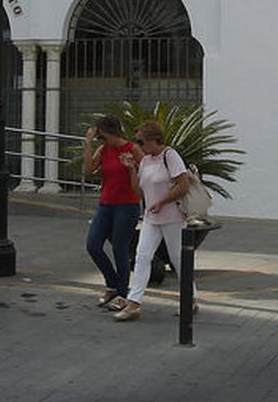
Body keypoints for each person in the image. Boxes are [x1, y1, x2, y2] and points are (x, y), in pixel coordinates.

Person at [114, 120, 195, 322]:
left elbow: (183, 185)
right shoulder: (146, 161)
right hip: (152, 217)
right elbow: (139, 191)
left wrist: (162, 201)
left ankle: (190, 298)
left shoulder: (170, 155)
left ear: (154, 140)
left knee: (178, 259)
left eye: (141, 142)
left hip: (172, 217)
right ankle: (134, 303)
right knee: (142, 256)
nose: (139, 146)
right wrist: (131, 169)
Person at [83, 115, 141, 310]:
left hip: (127, 205)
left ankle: (122, 294)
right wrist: (88, 143)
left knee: (120, 249)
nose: (99, 136)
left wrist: (131, 167)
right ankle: (112, 284)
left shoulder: (132, 149)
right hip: (106, 204)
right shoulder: (104, 149)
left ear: (109, 132)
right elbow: (89, 169)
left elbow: (146, 175)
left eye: (100, 133)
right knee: (93, 245)